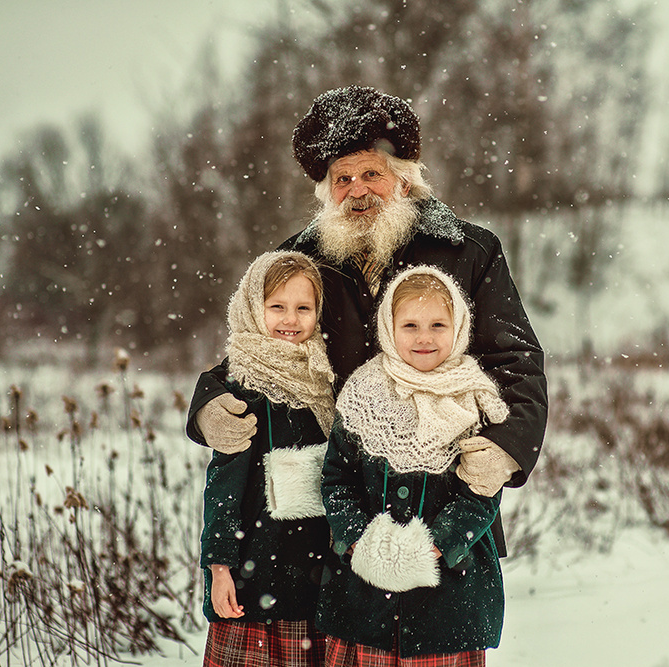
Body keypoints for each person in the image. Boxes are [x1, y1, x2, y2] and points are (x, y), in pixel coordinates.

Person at [187, 85, 547, 555]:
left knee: (448, 627)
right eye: (342, 179)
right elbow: (261, 349)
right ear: (326, 191)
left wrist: (508, 447)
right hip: (340, 509)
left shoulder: (469, 252)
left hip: (445, 502)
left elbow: (516, 359)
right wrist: (208, 402)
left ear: (404, 181)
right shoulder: (299, 259)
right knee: (349, 628)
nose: (356, 190)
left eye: (371, 173)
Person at [319, 265, 510, 665]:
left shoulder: (475, 399)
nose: (424, 337)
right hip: (364, 600)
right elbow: (337, 477)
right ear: (389, 328)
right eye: (410, 325)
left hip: (449, 605)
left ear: (459, 327)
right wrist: (356, 538)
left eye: (438, 324)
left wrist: (440, 543)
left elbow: (482, 491)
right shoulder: (361, 393)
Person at [194, 251, 335, 667]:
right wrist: (220, 567)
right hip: (256, 577)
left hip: (316, 577)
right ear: (254, 308)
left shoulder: (326, 379)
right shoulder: (241, 386)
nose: (290, 320)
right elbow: (224, 487)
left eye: (303, 308)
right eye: (277, 307)